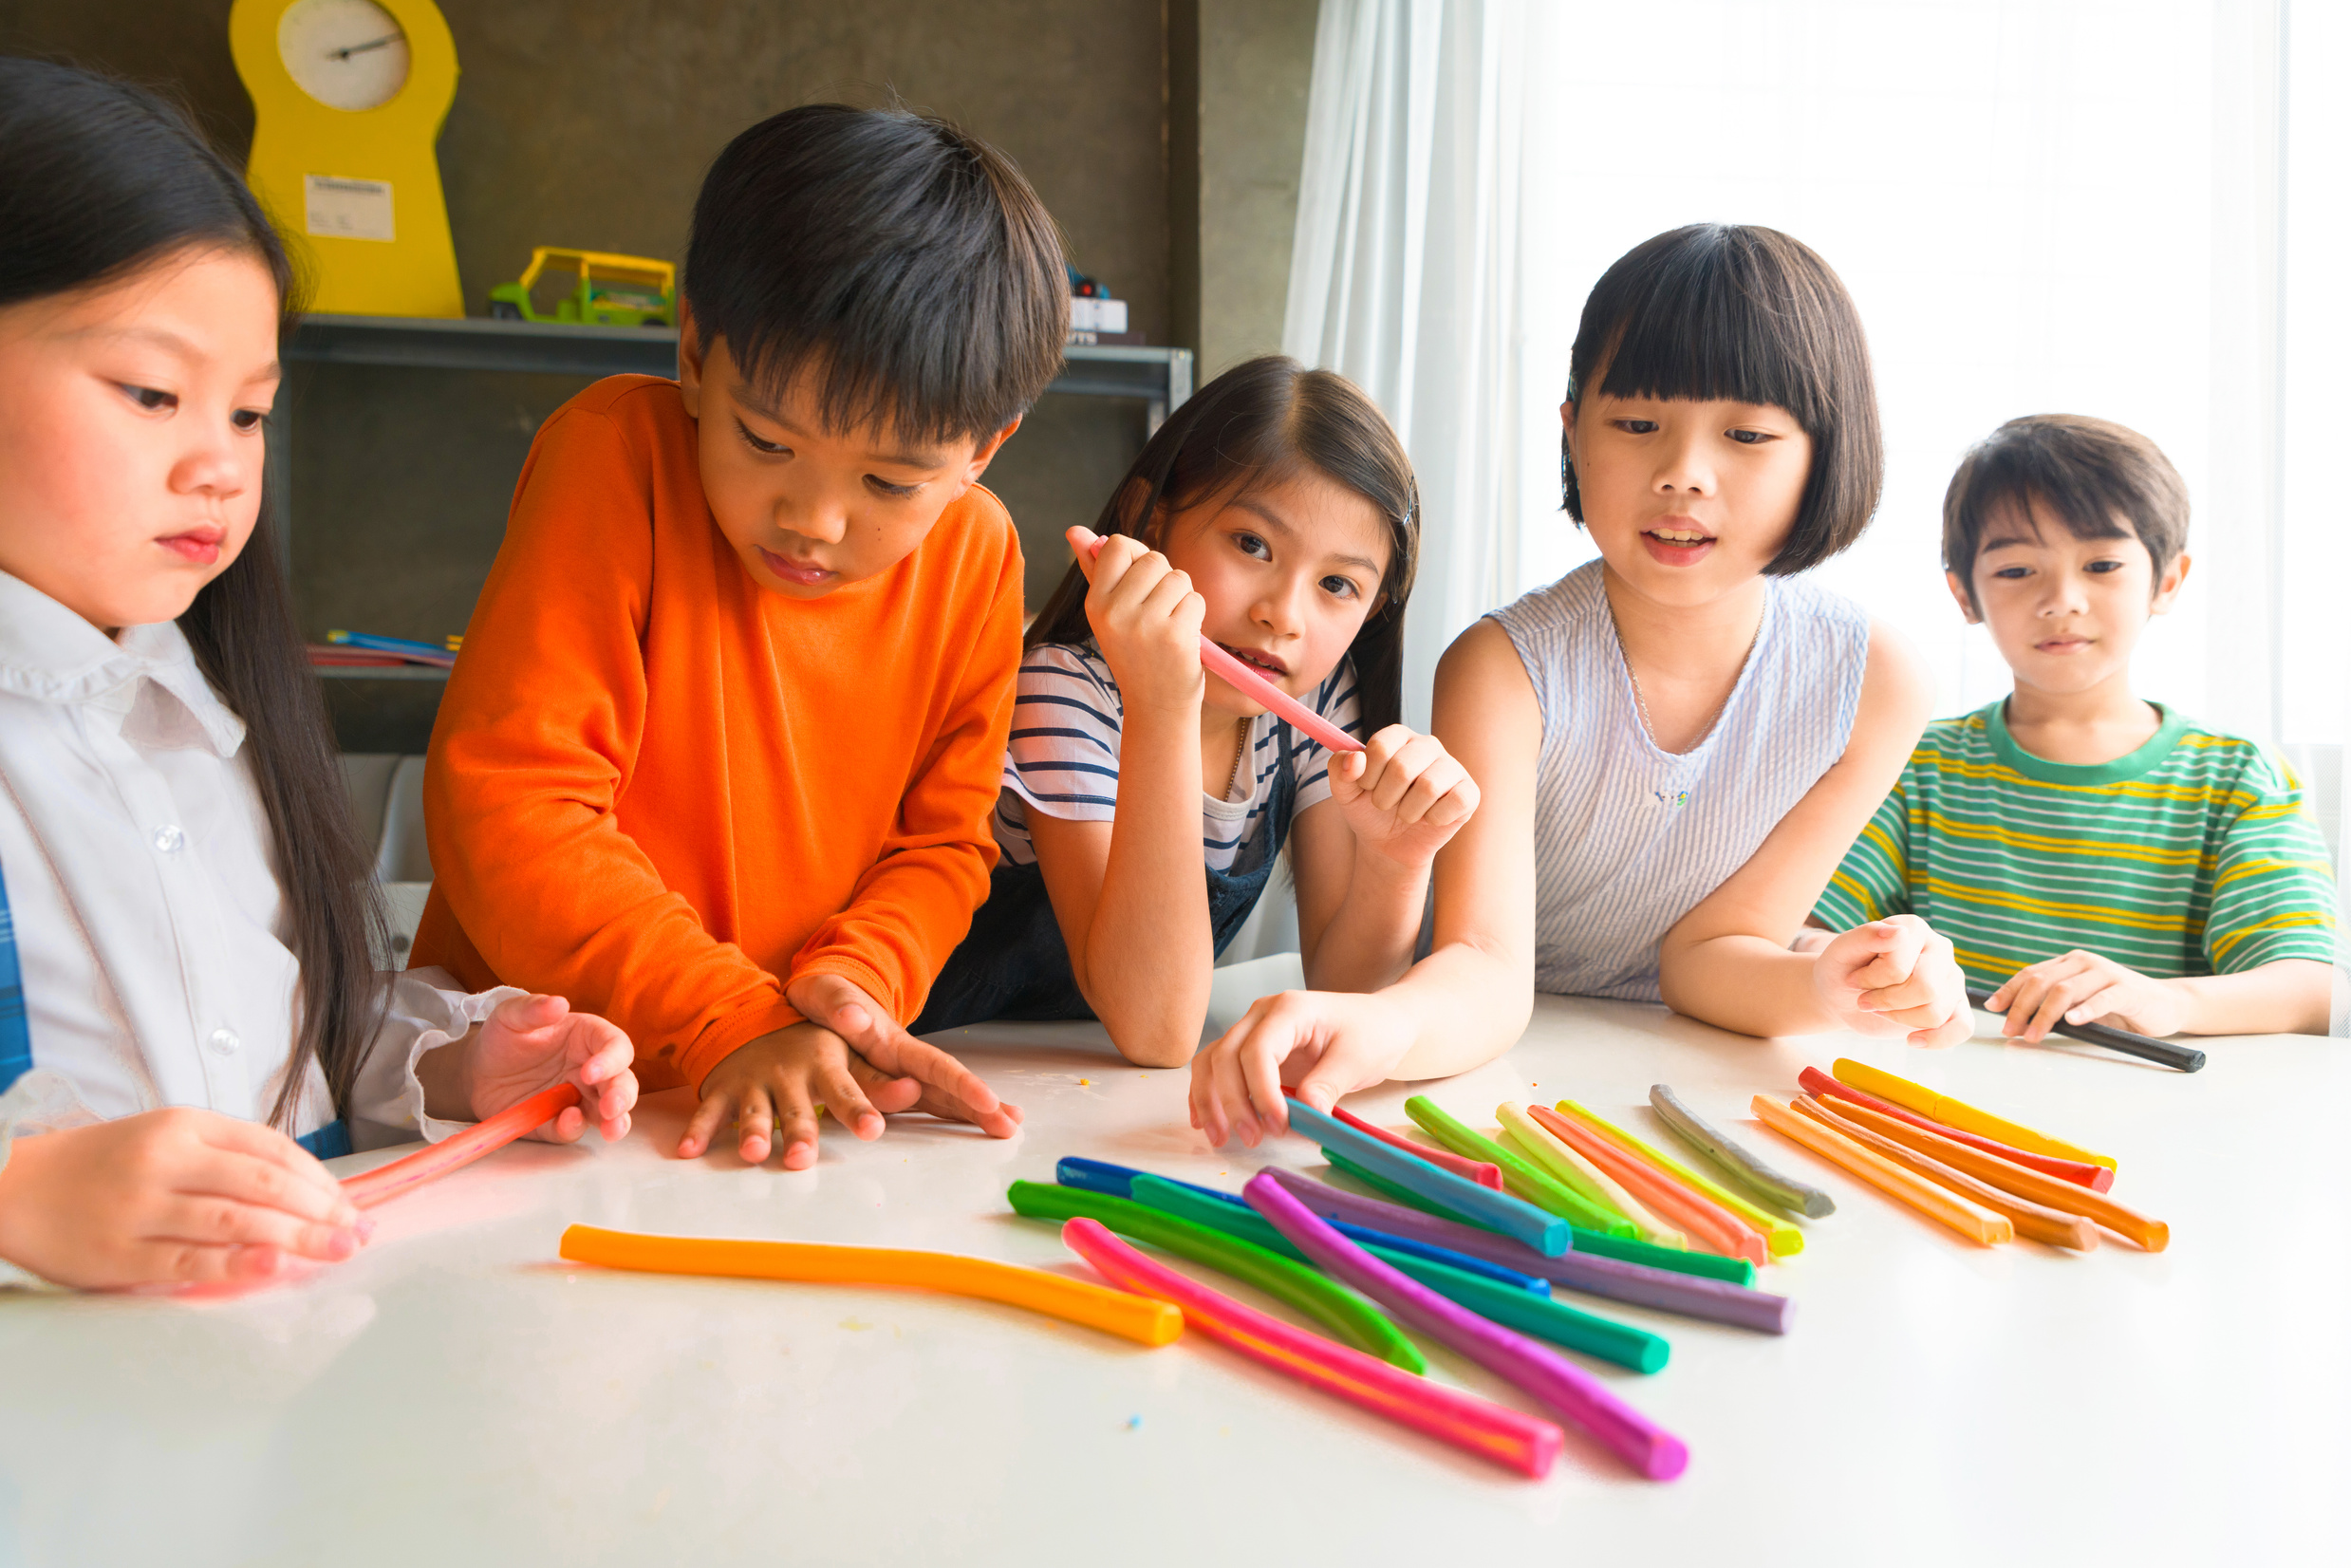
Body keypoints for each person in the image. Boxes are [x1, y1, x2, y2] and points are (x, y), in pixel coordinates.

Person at [0, 62, 637, 1290]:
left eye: (248, 414)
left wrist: (458, 1069)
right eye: (151, 393)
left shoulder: (212, 713)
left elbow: (292, 1034)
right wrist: (25, 1196)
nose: (221, 467)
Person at [1191, 224, 1969, 1147]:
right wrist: (1380, 1025)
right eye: (1635, 424)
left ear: (1825, 452)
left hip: (1684, 1080)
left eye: (1746, 435)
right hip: (1489, 1072)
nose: (1682, 472)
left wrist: (1829, 982)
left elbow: (1713, 953)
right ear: (1570, 432)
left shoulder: (1875, 681)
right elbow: (1482, 961)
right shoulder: (1502, 668)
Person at [413, 104, 1065, 1170]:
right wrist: (731, 1017)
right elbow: (512, 802)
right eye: (765, 440)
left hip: (785, 1085)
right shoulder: (611, 461)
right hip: (554, 1099)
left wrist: (851, 994)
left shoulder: (978, 554)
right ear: (693, 353)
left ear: (983, 449)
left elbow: (943, 841)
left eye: (889, 482)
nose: (811, 518)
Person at [914, 357, 1478, 1064]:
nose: (1282, 614)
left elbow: (1349, 994)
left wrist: (1398, 860)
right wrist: (1163, 702)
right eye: (1251, 545)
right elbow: (1156, 1030)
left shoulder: (1314, 705)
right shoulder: (1064, 692)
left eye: (1336, 583)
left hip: (1087, 1087)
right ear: (1151, 519)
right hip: (954, 1062)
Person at [1811, 414, 2338, 1039]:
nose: (2062, 599)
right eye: (2015, 571)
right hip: (1946, 1107)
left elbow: (2309, 986)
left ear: (2166, 581)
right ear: (1963, 595)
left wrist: (2167, 1003)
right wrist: (1883, 959)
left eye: (2101, 566)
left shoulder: (2235, 777)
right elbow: (1811, 935)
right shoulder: (1913, 765)